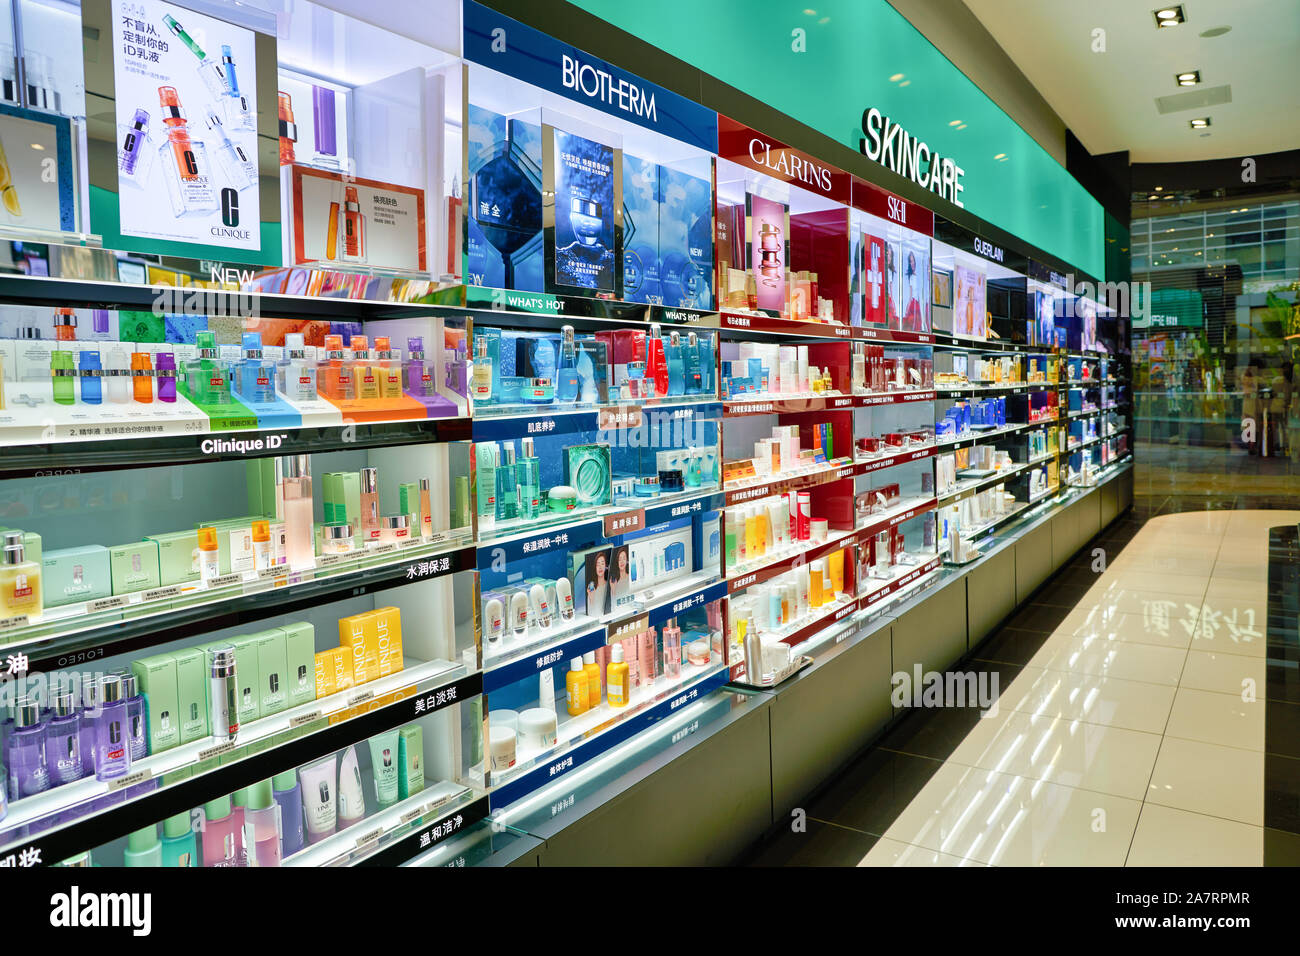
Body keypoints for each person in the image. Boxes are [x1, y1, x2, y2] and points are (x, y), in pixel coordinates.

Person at [585, 550, 610, 616]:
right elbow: (591, 614)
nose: (600, 567)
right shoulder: (592, 590)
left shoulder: (610, 585)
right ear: (595, 568)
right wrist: (591, 598)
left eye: (602, 563)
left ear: (606, 566)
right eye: (597, 564)